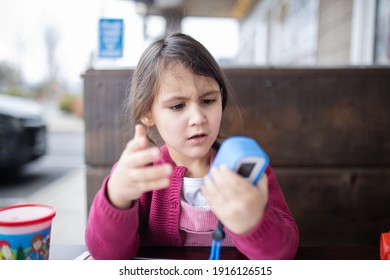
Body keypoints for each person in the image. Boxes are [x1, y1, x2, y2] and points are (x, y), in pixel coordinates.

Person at [85, 33, 299, 260]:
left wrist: (255, 223)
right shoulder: (139, 174)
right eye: (178, 106)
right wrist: (117, 196)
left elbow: (283, 254)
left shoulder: (247, 169)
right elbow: (105, 255)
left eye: (208, 101)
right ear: (148, 114)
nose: (198, 117)